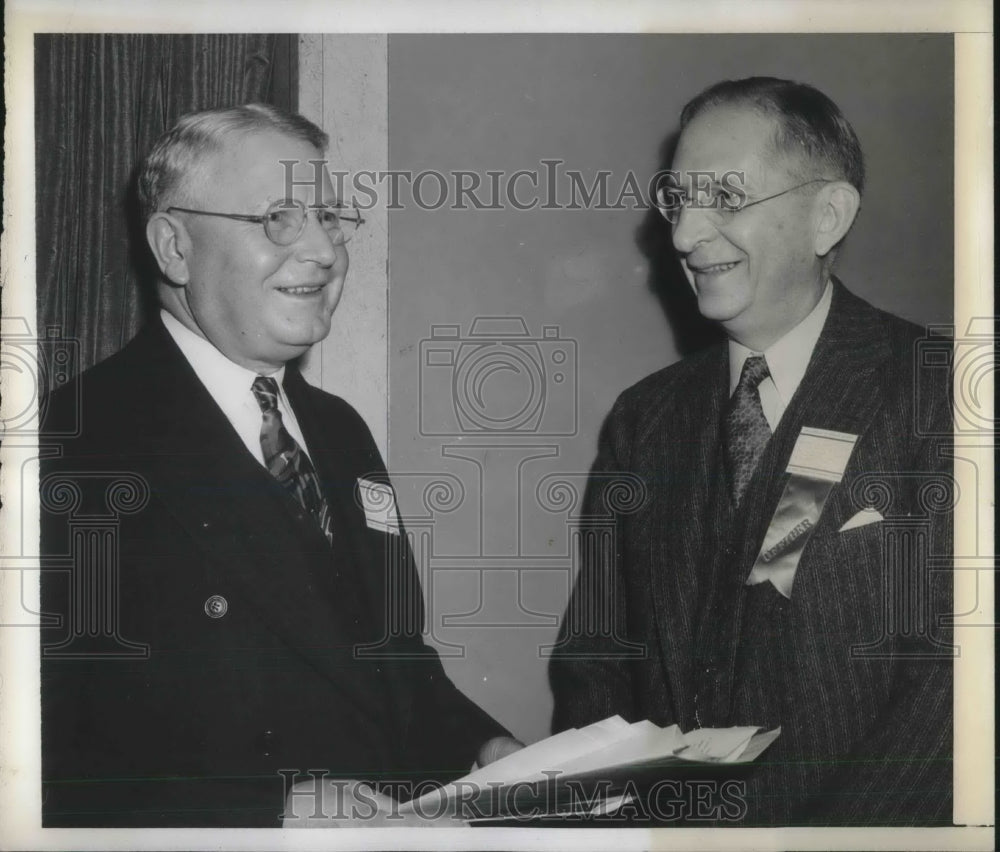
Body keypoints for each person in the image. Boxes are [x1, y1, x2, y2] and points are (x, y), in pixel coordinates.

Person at [39, 104, 517, 828]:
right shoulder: (71, 441)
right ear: (174, 247)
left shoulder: (340, 430)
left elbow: (392, 670)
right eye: (279, 219)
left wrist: (485, 746)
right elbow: (35, 762)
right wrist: (267, 810)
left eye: (330, 217)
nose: (324, 250)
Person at [549, 77, 953, 826]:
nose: (683, 235)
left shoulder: (941, 396)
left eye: (725, 198)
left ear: (827, 215)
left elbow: (953, 699)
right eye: (677, 200)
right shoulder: (643, 421)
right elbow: (595, 667)